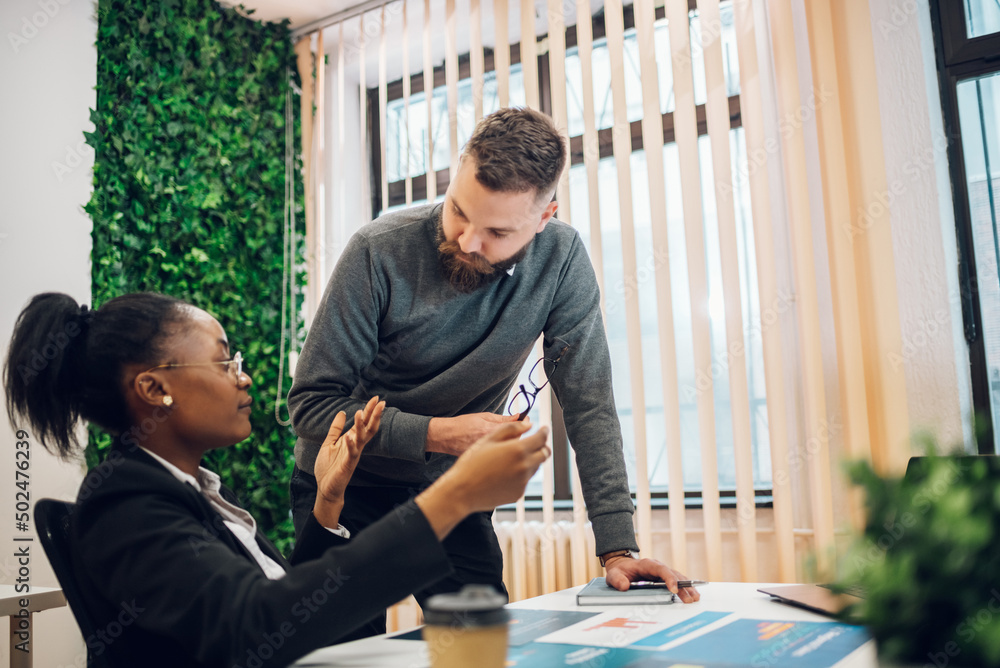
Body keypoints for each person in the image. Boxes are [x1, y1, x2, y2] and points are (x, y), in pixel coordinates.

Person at [287, 107, 699, 641]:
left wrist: (619, 548)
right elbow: (313, 405)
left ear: (545, 216)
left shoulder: (562, 259)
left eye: (496, 232)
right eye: (459, 211)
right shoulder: (377, 250)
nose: (466, 241)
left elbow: (588, 401)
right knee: (343, 654)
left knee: (479, 646)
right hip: (343, 485)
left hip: (450, 490)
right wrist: (437, 432)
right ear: (458, 169)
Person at [3, 291, 550, 668]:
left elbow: (292, 611)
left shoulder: (194, 491)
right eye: (223, 362)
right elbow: (254, 629)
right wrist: (452, 496)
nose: (243, 377)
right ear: (152, 389)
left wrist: (328, 502)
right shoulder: (125, 504)